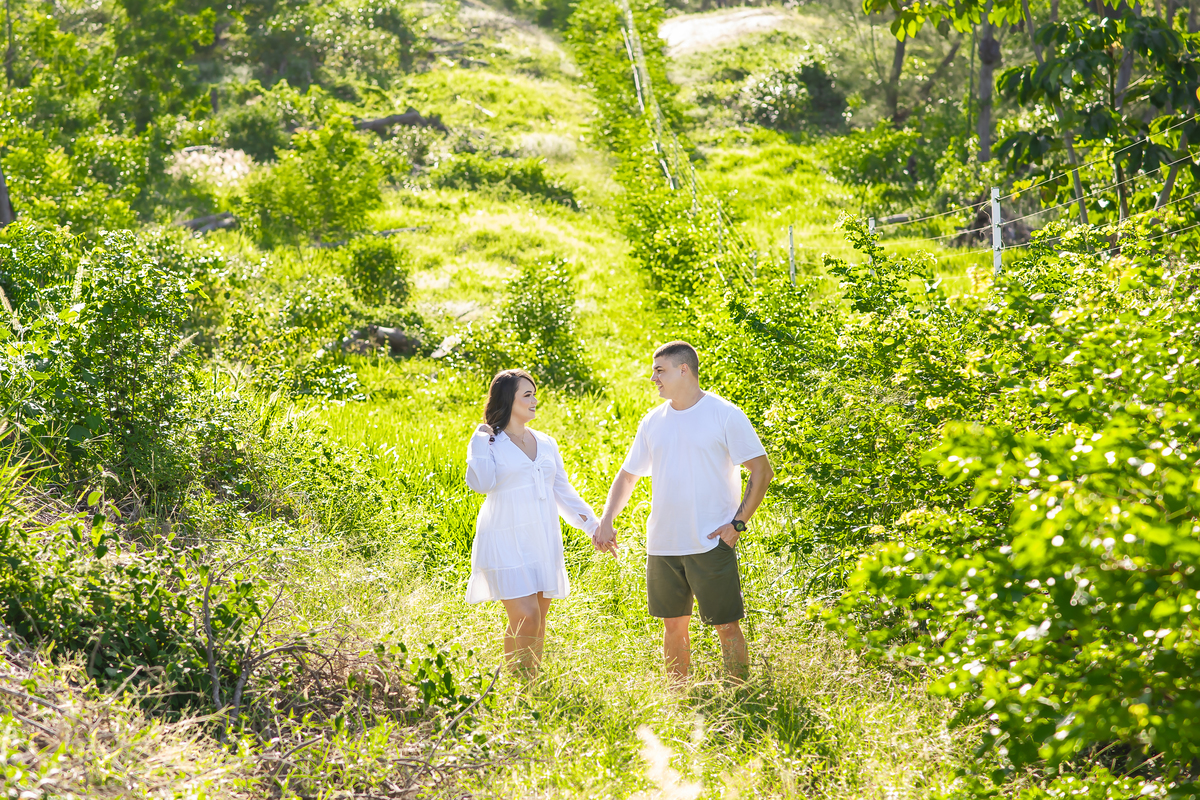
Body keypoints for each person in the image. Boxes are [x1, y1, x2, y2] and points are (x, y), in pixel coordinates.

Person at [593, 341, 773, 683]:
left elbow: (762, 471)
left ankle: (741, 694)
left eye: (659, 370)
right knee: (673, 627)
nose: (653, 378)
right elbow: (628, 475)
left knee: (726, 626)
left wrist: (737, 524)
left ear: (683, 369)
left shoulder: (724, 414)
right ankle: (679, 696)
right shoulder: (652, 421)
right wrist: (606, 519)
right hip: (663, 544)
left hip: (710, 542)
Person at [464, 368, 600, 675]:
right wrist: (478, 440)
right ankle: (517, 687)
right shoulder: (489, 442)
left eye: (534, 393)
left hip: (541, 539)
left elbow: (563, 493)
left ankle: (527, 689)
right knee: (525, 616)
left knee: (537, 619)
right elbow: (481, 483)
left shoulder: (546, 442)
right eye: (527, 395)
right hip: (504, 537)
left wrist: (594, 526)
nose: (535, 400)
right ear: (508, 400)